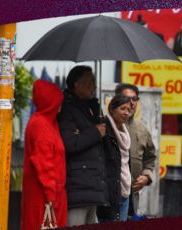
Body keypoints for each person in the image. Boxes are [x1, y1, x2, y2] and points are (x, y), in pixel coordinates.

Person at [57, 65, 108, 226]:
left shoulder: (91, 108)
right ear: (77, 86)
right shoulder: (68, 109)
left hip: (93, 185)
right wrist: (95, 132)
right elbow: (70, 143)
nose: (95, 86)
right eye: (90, 81)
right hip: (78, 186)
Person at [21, 80, 67, 230]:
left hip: (50, 193)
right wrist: (51, 195)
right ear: (51, 103)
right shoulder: (41, 125)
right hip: (44, 196)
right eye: (58, 101)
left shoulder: (48, 122)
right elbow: (43, 162)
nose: (61, 105)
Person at [115, 83, 157, 219]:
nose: (131, 103)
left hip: (133, 194)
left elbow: (150, 158)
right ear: (116, 99)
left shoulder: (142, 129)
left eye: (134, 99)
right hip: (110, 193)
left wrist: (146, 176)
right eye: (127, 98)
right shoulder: (107, 125)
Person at [97, 95, 133, 222]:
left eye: (129, 110)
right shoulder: (104, 129)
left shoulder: (126, 133)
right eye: (123, 108)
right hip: (109, 192)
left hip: (125, 189)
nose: (126, 113)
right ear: (112, 109)